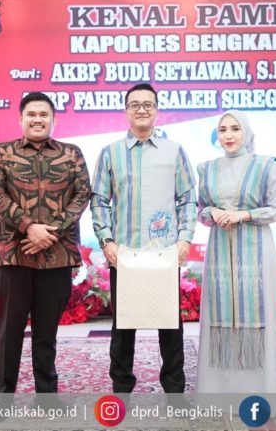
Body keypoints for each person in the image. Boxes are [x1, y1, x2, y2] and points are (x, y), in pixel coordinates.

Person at [91, 83, 197, 393]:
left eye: (147, 104)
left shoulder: (173, 151)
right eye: (135, 104)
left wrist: (185, 240)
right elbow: (99, 200)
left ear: (156, 111)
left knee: (170, 325)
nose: (141, 109)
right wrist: (106, 242)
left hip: (164, 253)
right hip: (124, 254)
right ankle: (121, 388)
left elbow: (188, 199)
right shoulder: (110, 153)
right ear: (126, 111)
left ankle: (174, 390)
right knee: (123, 326)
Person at [0, 92, 91, 394]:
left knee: (47, 334)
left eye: (44, 114)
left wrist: (49, 233)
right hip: (13, 256)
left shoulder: (71, 154)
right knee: (10, 333)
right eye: (31, 114)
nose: (37, 120)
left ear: (54, 120)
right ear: (21, 119)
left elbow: (82, 195)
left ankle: (47, 397)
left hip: (57, 256)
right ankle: (4, 397)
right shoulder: (1, 152)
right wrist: (29, 227)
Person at [195, 110, 276, 393]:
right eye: (223, 130)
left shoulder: (266, 165)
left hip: (257, 250)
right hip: (220, 251)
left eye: (235, 128)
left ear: (246, 132)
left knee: (257, 312)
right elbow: (201, 211)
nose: (229, 135)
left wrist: (243, 215)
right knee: (219, 313)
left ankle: (259, 389)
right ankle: (218, 391)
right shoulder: (206, 169)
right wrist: (215, 213)